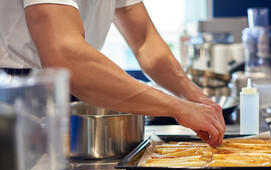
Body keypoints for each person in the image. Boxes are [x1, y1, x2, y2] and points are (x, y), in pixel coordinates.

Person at [0, 0, 225, 147]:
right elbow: (66, 59)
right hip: (16, 96)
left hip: (66, 91)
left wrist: (194, 97)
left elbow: (145, 41)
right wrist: (180, 107)